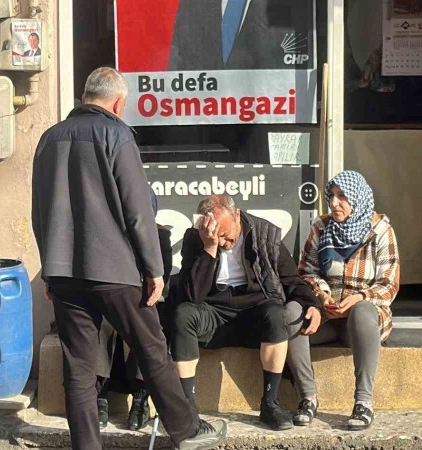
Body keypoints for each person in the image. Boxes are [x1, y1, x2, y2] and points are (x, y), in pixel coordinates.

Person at [31, 67, 227, 450]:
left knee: (79, 369)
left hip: (65, 272)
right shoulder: (116, 134)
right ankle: (186, 431)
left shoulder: (49, 138)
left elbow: (39, 211)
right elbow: (138, 211)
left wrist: (50, 271)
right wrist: (155, 268)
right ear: (119, 103)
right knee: (152, 349)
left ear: (85, 96)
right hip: (115, 269)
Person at [170, 194, 322, 431]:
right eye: (216, 235)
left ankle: (270, 403)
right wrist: (209, 247)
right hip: (213, 310)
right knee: (183, 314)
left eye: (225, 233)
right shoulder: (197, 237)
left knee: (275, 312)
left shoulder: (265, 234)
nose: (223, 241)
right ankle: (187, 407)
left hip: (253, 310)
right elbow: (193, 295)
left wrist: (313, 304)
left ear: (237, 215)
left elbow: (291, 279)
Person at [286, 170, 400, 431]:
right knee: (291, 311)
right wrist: (321, 294)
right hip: (326, 315)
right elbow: (306, 272)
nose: (334, 203)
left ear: (357, 198)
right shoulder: (321, 227)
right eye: (332, 197)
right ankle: (307, 397)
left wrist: (359, 297)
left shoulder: (380, 230)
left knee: (362, 312)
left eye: (342, 197)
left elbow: (389, 284)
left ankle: (363, 402)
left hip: (363, 318)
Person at [95, 193, 174, 431]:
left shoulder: (159, 237)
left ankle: (141, 397)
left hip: (142, 299)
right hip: (109, 299)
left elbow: (161, 282)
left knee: (144, 321)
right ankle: (99, 395)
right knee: (100, 322)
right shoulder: (105, 234)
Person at [168, 0, 314, 70]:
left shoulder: (291, 6)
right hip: (204, 114)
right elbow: (177, 63)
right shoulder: (192, 5)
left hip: (267, 114)